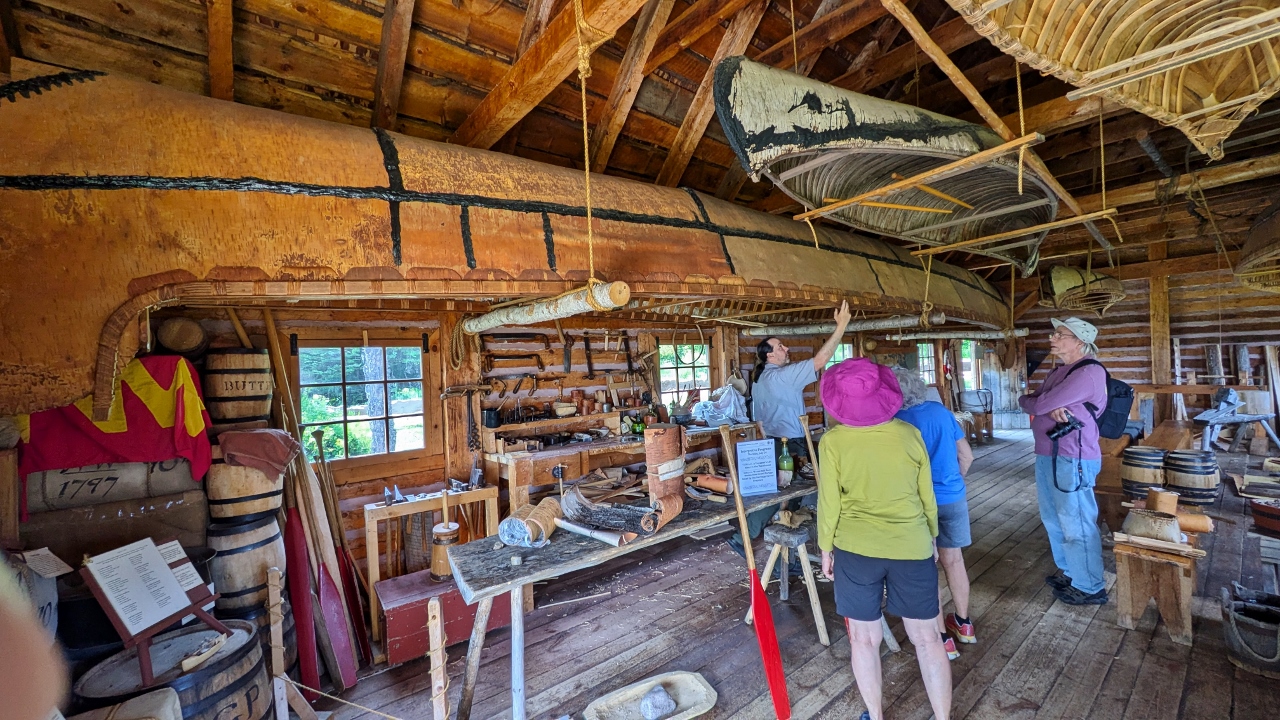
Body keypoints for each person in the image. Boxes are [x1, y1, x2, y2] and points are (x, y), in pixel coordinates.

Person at [818, 358, 951, 720]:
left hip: (856, 548)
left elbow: (829, 504)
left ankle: (876, 716)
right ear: (883, 393)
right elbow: (926, 495)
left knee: (864, 639)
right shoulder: (909, 435)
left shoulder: (832, 442)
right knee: (927, 638)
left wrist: (826, 548)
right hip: (911, 543)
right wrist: (932, 537)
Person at [728, 300, 853, 557]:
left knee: (779, 493)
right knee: (787, 493)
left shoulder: (760, 378)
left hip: (773, 441)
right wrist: (841, 327)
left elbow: (760, 419)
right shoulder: (782, 375)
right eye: (780, 347)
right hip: (791, 443)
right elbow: (820, 360)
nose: (786, 349)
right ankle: (769, 546)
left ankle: (774, 547)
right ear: (770, 356)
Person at [1018, 317, 1109, 606]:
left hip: (1073, 457)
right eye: (1054, 333)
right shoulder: (1060, 371)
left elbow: (1038, 403)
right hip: (1048, 454)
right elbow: (1026, 401)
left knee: (1076, 521)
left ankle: (1090, 586)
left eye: (1060, 334)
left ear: (1080, 341)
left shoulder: (1089, 372)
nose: (1052, 338)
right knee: (1054, 519)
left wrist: (1042, 403)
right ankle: (1073, 574)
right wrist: (1042, 404)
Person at [893, 367, 975, 661]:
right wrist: (953, 483)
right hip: (952, 497)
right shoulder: (942, 413)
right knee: (954, 561)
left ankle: (942, 638)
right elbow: (967, 455)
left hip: (917, 503)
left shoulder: (896, 421)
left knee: (927, 567)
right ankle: (964, 625)